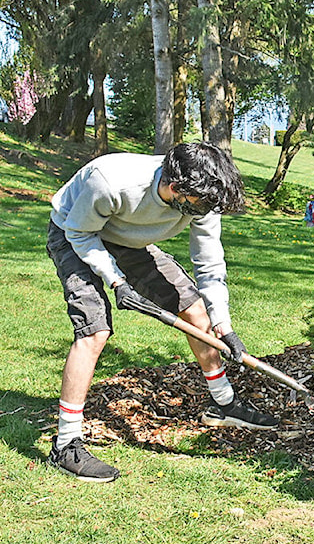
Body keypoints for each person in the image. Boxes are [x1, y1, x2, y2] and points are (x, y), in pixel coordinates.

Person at [46, 142, 279, 483]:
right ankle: (66, 443)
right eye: (200, 205)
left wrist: (224, 325)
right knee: (94, 331)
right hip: (76, 233)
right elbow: (80, 233)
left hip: (127, 240)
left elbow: (210, 265)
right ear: (175, 188)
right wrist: (116, 281)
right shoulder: (111, 180)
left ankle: (223, 403)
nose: (206, 211)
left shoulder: (203, 196)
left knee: (194, 309)